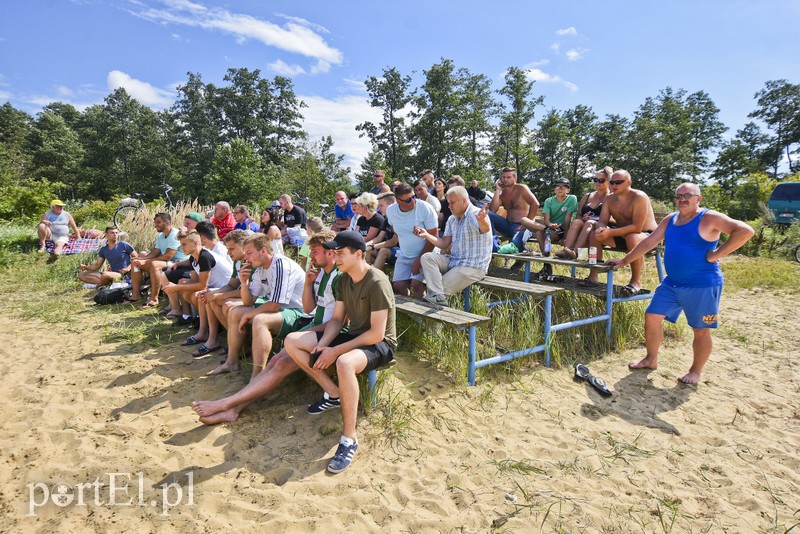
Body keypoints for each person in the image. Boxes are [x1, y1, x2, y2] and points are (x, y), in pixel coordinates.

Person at [607, 183, 754, 385]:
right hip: (672, 283)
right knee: (652, 316)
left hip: (702, 284)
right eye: (678, 195)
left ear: (698, 198)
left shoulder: (709, 217)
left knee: (700, 328)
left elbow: (745, 231)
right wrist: (624, 261)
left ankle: (695, 371)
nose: (682, 199)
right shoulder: (671, 219)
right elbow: (649, 242)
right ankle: (651, 359)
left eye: (687, 195)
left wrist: (717, 254)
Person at [191, 230, 342, 424]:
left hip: (310, 325)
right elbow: (310, 307)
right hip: (314, 326)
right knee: (275, 363)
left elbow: (336, 321)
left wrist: (307, 335)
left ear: (330, 253)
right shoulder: (321, 274)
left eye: (314, 251)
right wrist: (306, 284)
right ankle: (233, 407)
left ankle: (227, 404)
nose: (310, 255)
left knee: (278, 362)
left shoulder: (336, 276)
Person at [285, 231, 396, 473]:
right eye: (334, 253)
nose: (336, 258)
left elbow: (377, 334)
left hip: (380, 344)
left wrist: (334, 351)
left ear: (358, 254)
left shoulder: (377, 281)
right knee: (292, 341)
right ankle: (333, 393)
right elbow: (336, 320)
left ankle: (349, 439)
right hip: (355, 336)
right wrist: (323, 344)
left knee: (344, 362)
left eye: (340, 254)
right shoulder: (343, 279)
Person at [207, 233, 305, 376]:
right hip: (280, 309)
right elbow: (248, 301)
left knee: (259, 319)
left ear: (263, 250)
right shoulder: (260, 269)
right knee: (235, 312)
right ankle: (232, 362)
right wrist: (244, 283)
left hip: (298, 312)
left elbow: (274, 305)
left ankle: (257, 376)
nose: (246, 257)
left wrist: (249, 315)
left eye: (249, 253)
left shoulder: (281, 265)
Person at [415, 186, 493, 305]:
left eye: (452, 203)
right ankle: (437, 297)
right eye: (448, 203)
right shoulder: (452, 219)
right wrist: (426, 235)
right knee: (427, 257)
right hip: (455, 261)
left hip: (473, 267)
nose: (449, 206)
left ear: (464, 200)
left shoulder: (476, 214)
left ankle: (436, 300)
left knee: (437, 293)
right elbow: (444, 244)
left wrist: (482, 220)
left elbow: (485, 228)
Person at [588, 170, 658, 294]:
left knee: (632, 237)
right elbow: (602, 221)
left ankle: (635, 282)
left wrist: (610, 233)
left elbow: (637, 227)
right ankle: (593, 276)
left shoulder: (639, 197)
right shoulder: (609, 199)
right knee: (595, 235)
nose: (614, 185)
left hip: (647, 236)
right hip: (622, 235)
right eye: (612, 182)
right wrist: (601, 229)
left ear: (629, 183)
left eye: (619, 182)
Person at [163, 221, 233, 326]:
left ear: (195, 243)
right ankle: (200, 320)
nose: (182, 248)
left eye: (184, 244)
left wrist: (176, 287)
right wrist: (179, 286)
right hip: (215, 287)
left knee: (197, 295)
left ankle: (206, 325)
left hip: (226, 287)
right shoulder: (193, 257)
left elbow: (202, 285)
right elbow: (194, 280)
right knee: (186, 290)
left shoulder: (205, 256)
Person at [194, 229, 249, 357]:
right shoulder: (237, 261)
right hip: (245, 294)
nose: (228, 253)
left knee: (223, 302)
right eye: (227, 249)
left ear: (243, 246)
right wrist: (214, 293)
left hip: (255, 298)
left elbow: (248, 292)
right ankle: (231, 341)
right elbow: (232, 285)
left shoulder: (250, 262)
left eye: (231, 249)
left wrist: (218, 295)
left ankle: (241, 344)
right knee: (211, 298)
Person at [384, 182, 439, 298]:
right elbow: (397, 231)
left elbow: (434, 236)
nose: (413, 201)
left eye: (414, 197)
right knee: (398, 286)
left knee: (417, 284)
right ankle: (411, 314)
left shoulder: (425, 208)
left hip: (427, 255)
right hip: (404, 254)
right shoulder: (391, 211)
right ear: (398, 201)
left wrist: (419, 259)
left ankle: (420, 314)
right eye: (408, 200)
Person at [518, 178, 578, 276]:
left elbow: (568, 219)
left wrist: (566, 237)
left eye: (563, 186)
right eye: (557, 186)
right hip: (548, 228)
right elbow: (546, 220)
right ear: (554, 189)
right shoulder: (549, 201)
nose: (560, 188)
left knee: (540, 233)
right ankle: (547, 265)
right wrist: (549, 226)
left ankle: (546, 265)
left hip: (560, 230)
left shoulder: (572, 199)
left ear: (568, 190)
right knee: (524, 220)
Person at [130, 213, 189, 306]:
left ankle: (154, 298)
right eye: (155, 222)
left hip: (178, 263)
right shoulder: (161, 235)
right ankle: (136, 295)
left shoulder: (175, 235)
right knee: (135, 263)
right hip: (168, 262)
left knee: (155, 265)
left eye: (158, 222)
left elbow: (167, 256)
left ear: (168, 222)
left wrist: (146, 261)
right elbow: (155, 252)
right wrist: (141, 259)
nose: (155, 225)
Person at [556, 167, 612, 259]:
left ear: (608, 181)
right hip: (584, 227)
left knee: (589, 223)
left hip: (600, 228)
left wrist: (595, 219)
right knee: (577, 222)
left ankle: (575, 252)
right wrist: (583, 218)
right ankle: (566, 249)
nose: (597, 182)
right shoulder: (587, 196)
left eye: (601, 180)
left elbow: (614, 218)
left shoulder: (611, 197)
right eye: (595, 180)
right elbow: (578, 215)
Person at [488, 167, 540, 253]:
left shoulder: (522, 188)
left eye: (508, 177)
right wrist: (497, 190)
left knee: (515, 245)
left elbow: (535, 204)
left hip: (521, 226)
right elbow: (492, 209)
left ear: (515, 178)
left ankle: (521, 251)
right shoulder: (502, 193)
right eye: (504, 177)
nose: (505, 179)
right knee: (489, 214)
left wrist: (527, 223)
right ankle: (493, 244)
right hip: (508, 225)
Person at [368, 192, 398, 270]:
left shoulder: (398, 218)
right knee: (367, 250)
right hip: (391, 249)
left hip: (401, 251)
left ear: (390, 205)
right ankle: (369, 276)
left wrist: (374, 246)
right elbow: (379, 238)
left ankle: (373, 278)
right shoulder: (387, 218)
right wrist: (365, 245)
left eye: (381, 206)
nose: (379, 209)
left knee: (383, 250)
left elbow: (393, 242)